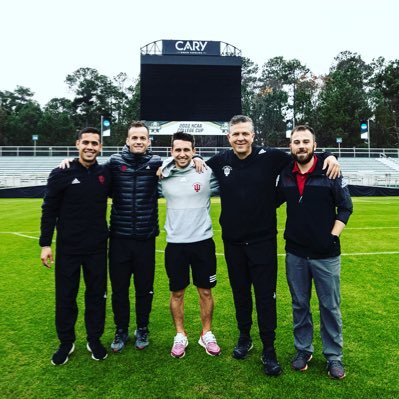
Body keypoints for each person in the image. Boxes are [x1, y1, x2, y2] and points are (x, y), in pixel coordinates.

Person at [205, 115, 340, 376]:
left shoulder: (271, 157)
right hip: (232, 244)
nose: (241, 138)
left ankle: (269, 350)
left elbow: (303, 154)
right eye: (236, 134)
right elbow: (192, 163)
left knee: (265, 298)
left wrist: (329, 155)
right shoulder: (220, 161)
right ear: (229, 138)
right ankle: (245, 338)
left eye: (245, 133)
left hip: (263, 243)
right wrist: (197, 159)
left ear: (253, 136)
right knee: (241, 295)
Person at [276, 125, 352, 379]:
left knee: (329, 306)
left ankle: (334, 356)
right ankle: (303, 350)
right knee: (300, 305)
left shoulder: (330, 170)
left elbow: (345, 208)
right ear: (290, 147)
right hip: (295, 253)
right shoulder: (285, 172)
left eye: (305, 141)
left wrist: (332, 236)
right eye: (296, 141)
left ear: (314, 145)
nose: (301, 146)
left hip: (325, 254)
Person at [40, 127, 111, 365]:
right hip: (68, 247)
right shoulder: (61, 172)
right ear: (77, 144)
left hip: (97, 247)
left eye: (95, 143)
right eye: (86, 142)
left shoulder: (105, 173)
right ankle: (66, 342)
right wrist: (45, 244)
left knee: (96, 296)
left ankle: (94, 339)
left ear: (100, 147)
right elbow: (49, 209)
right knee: (66, 296)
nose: (90, 147)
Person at [159, 132, 220, 358]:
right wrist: (165, 164)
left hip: (203, 243)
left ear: (194, 151)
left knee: (205, 291)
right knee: (177, 293)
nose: (182, 154)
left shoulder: (205, 172)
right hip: (175, 245)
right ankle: (180, 335)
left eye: (187, 150)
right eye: (177, 150)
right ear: (171, 151)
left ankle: (206, 333)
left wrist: (201, 160)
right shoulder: (163, 175)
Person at [107, 121, 162, 352]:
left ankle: (142, 327)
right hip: (119, 238)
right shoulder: (113, 163)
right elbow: (90, 173)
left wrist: (198, 158)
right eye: (134, 138)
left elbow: (185, 160)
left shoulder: (157, 163)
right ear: (127, 140)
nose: (138, 141)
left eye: (143, 138)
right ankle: (121, 329)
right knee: (119, 289)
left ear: (148, 142)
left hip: (145, 239)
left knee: (144, 288)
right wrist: (67, 165)